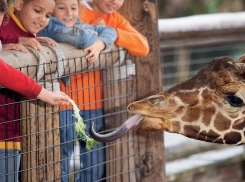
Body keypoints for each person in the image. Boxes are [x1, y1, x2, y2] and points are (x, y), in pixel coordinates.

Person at [38, 0, 117, 181]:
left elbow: (111, 31)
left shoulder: (79, 25)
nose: (69, 13)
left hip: (88, 101)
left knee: (93, 155)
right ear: (51, 10)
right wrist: (94, 37)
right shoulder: (50, 27)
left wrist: (99, 45)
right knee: (61, 156)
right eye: (61, 8)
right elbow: (84, 39)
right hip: (63, 103)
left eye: (74, 8)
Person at [0, 0, 69, 181]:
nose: (43, 19)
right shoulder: (7, 21)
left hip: (18, 131)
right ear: (20, 4)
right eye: (38, 11)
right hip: (5, 132)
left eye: (48, 15)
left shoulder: (26, 30)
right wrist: (44, 94)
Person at [79, 0, 149, 57]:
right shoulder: (75, 10)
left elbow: (143, 47)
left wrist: (111, 34)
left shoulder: (115, 18)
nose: (115, 1)